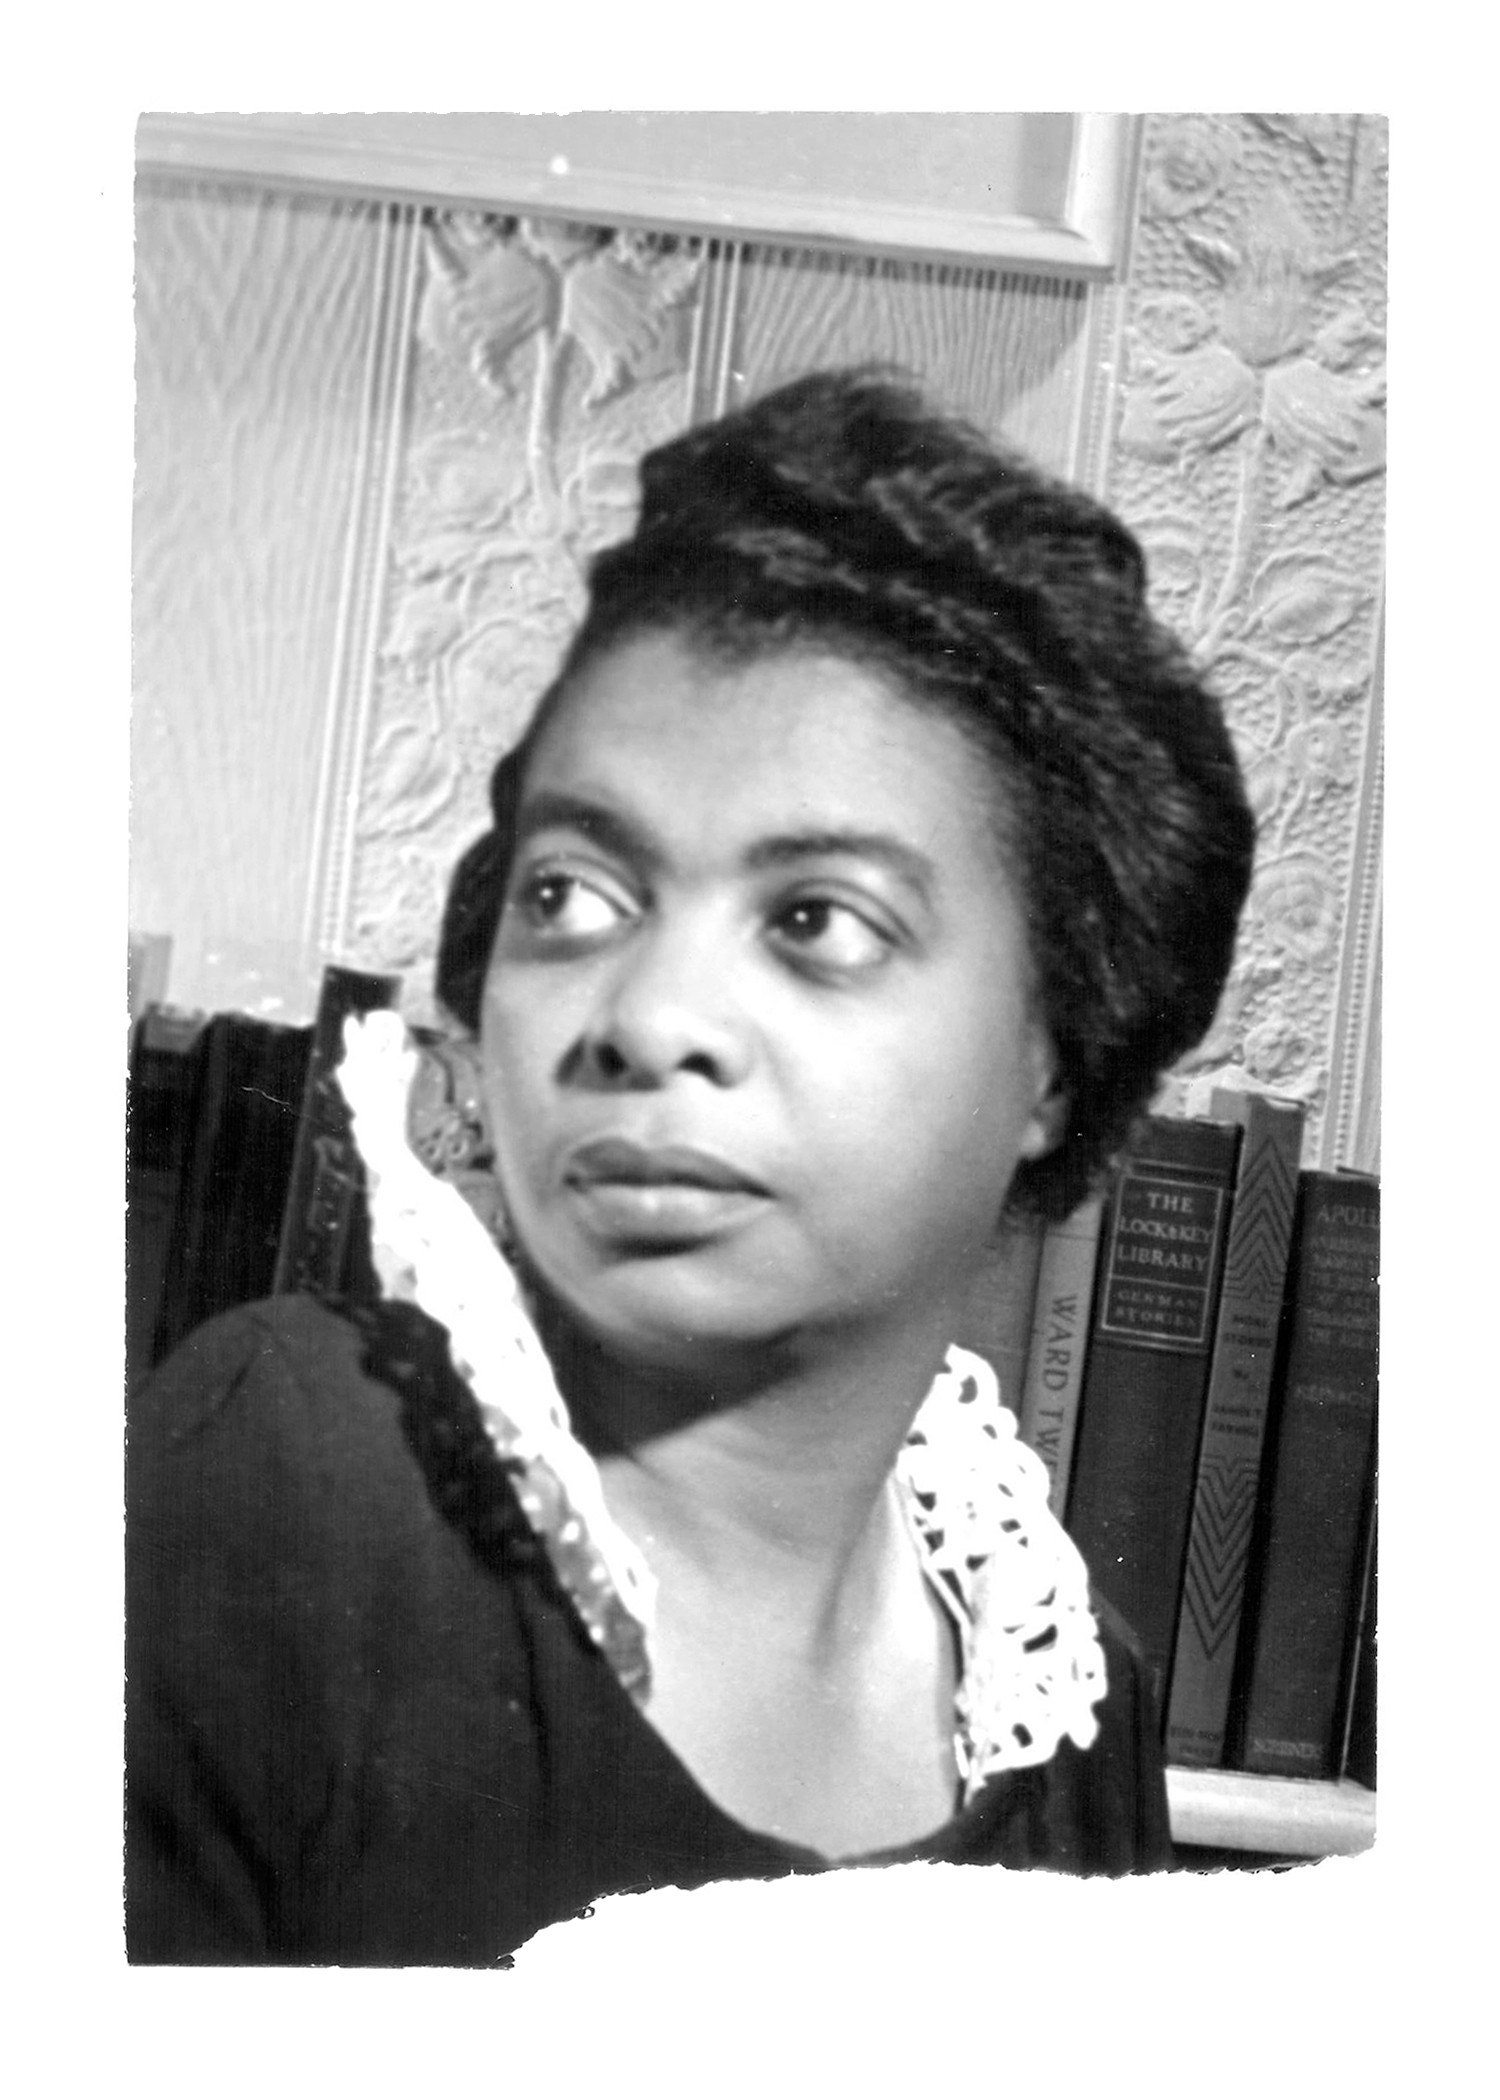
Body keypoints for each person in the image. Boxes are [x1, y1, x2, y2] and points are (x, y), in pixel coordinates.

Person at [125, 368, 1255, 1965]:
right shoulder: (292, 1480)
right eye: (573, 896)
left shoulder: (1068, 1706)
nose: (647, 1019)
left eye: (817, 924)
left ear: (1054, 1059)